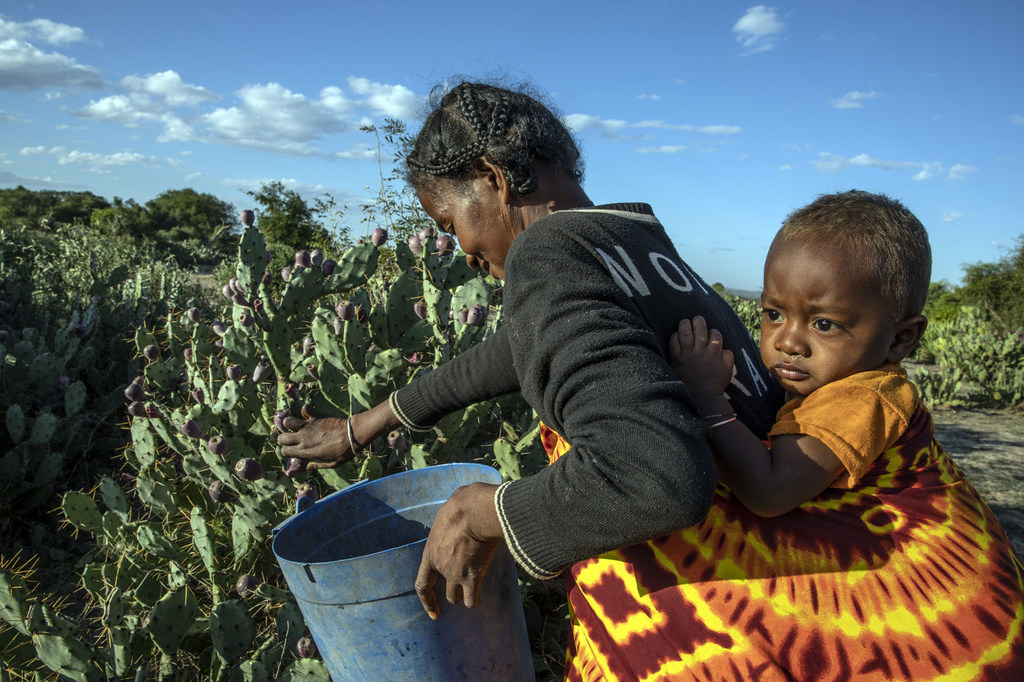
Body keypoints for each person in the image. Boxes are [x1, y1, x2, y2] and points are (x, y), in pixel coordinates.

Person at [277, 79, 785, 676]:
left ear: (492, 175)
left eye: (448, 221)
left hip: (725, 628)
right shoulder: (631, 238)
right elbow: (523, 347)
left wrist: (481, 512)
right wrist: (368, 423)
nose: (462, 250)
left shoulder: (547, 252)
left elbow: (656, 477)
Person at [663, 190, 1024, 678]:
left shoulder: (862, 396)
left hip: (950, 623)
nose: (788, 341)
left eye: (825, 324)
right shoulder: (834, 382)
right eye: (773, 314)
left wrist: (709, 399)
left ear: (901, 338)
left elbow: (770, 492)